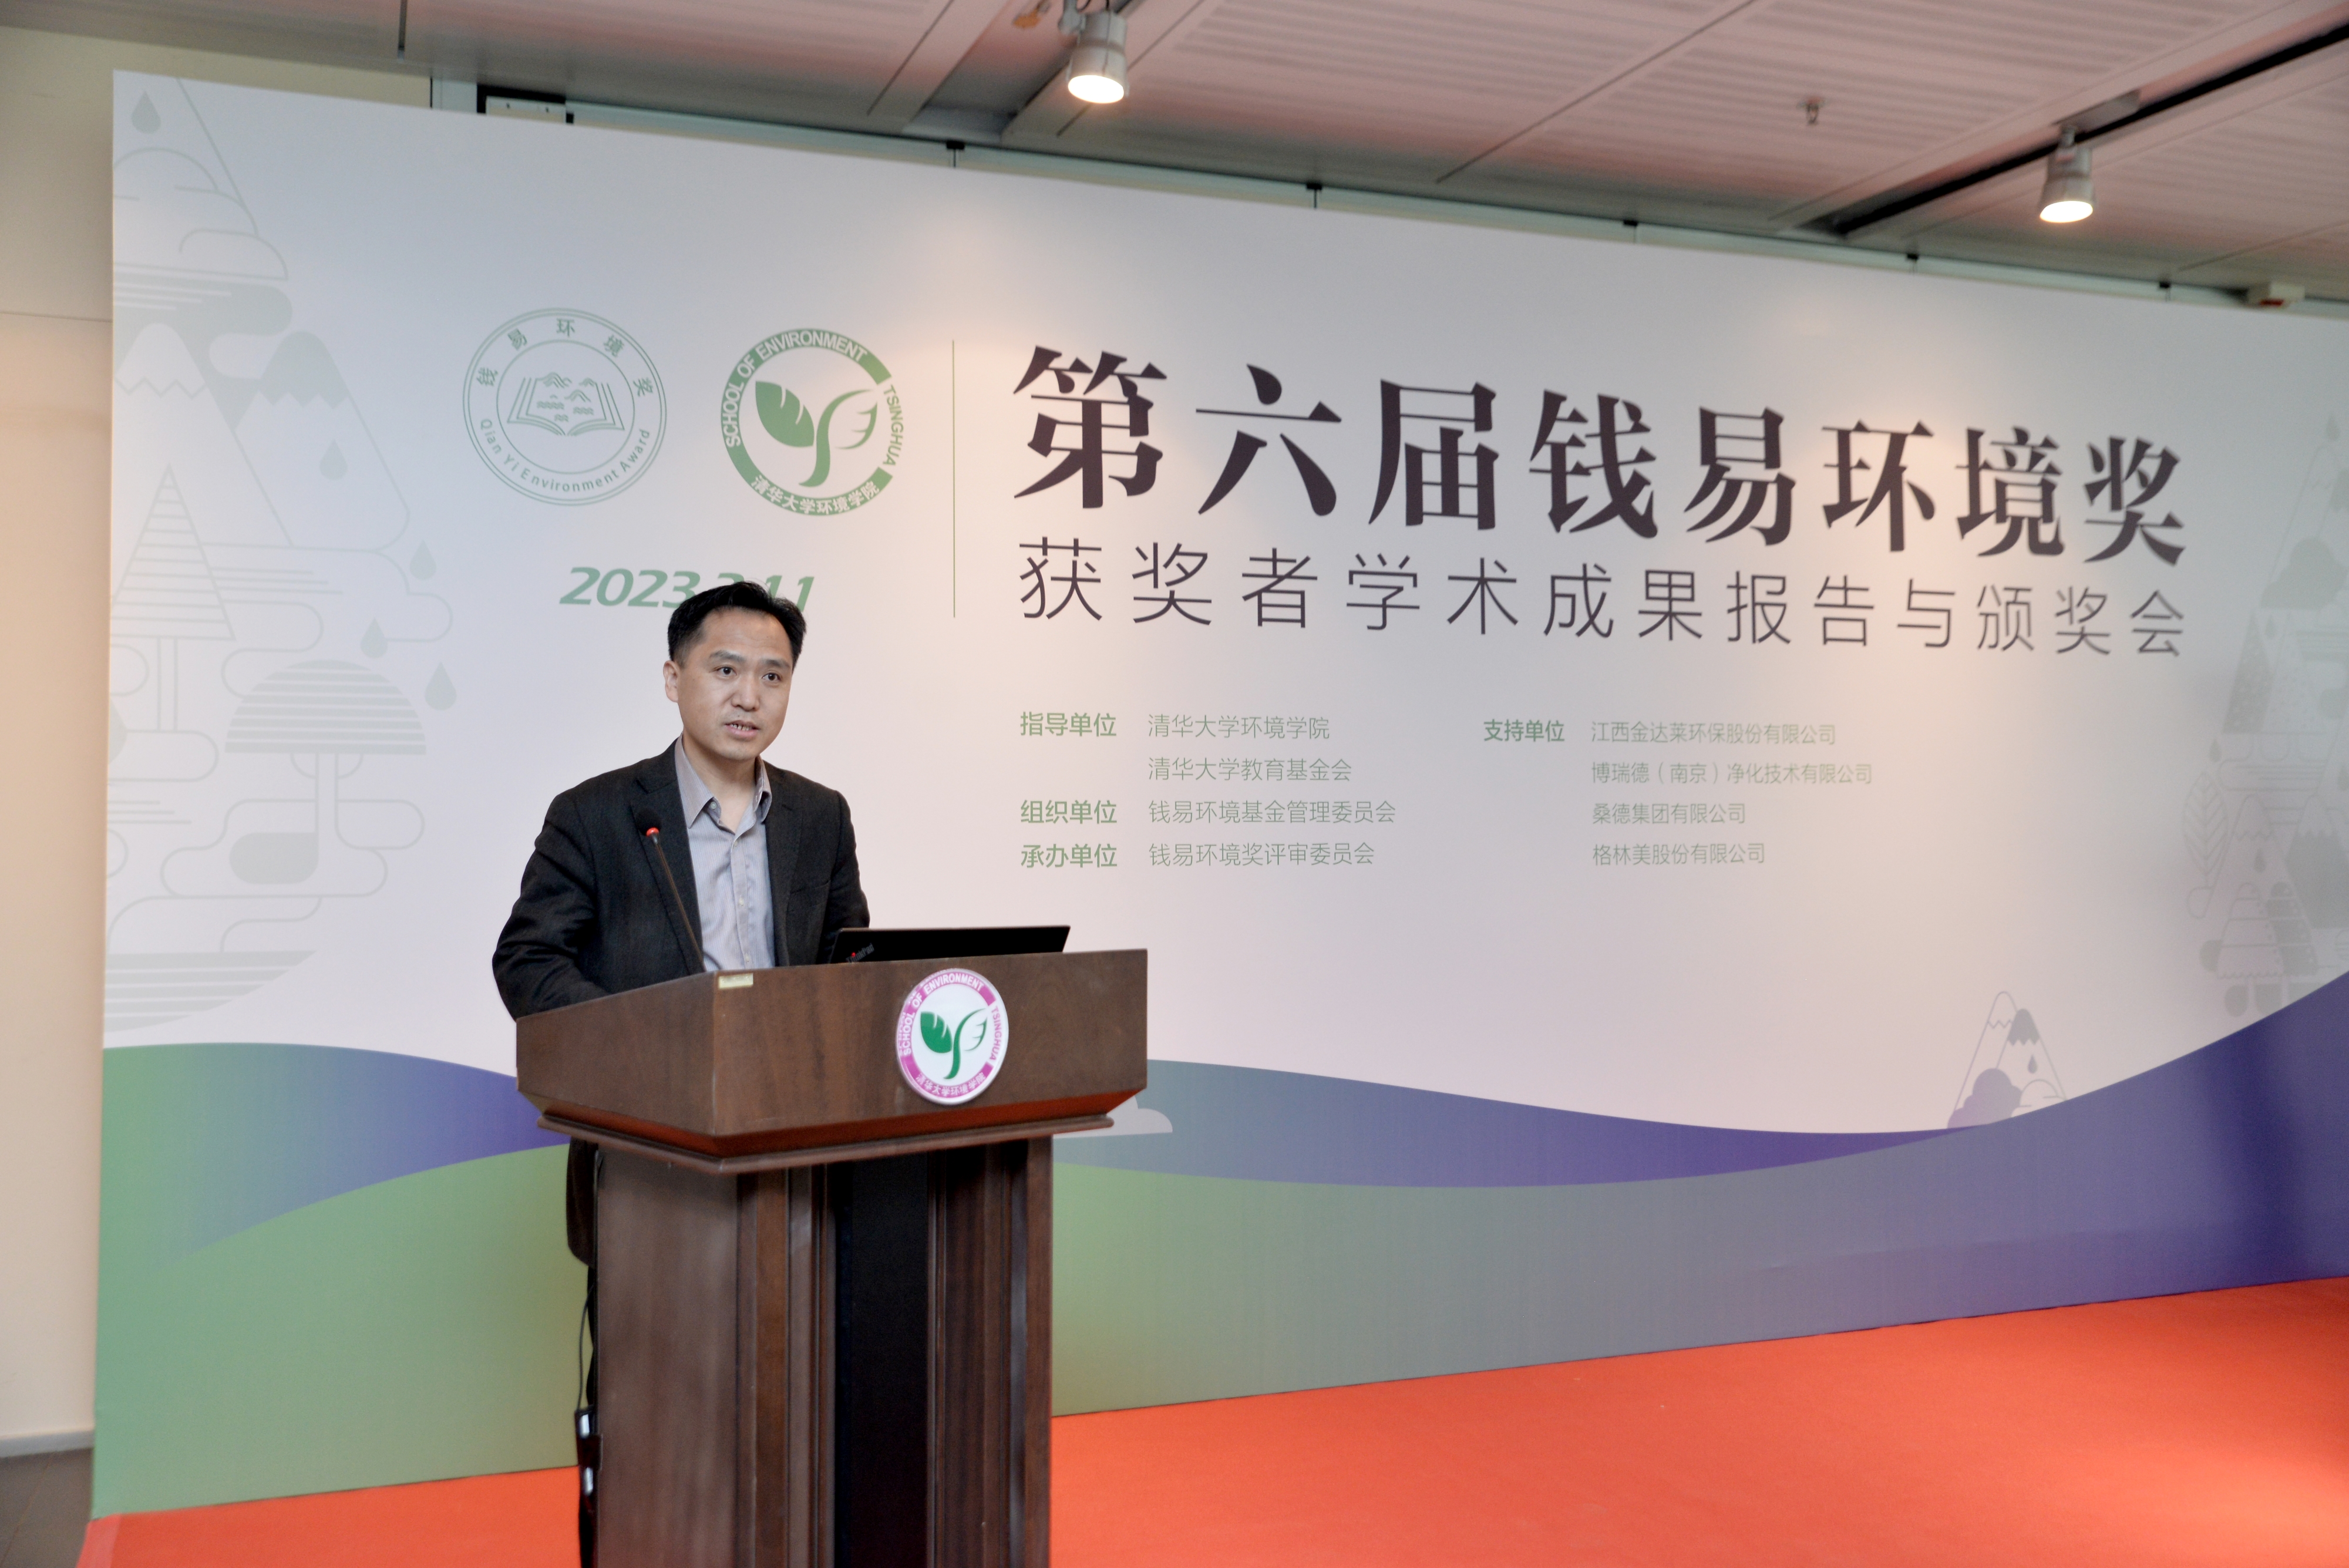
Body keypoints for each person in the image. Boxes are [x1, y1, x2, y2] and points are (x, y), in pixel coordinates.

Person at [491, 579, 868, 1566]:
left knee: (794, 1394)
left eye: (774, 675)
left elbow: (850, 966)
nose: (750, 694)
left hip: (797, 1160)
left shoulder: (820, 817)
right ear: (674, 677)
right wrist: (648, 1047)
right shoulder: (598, 815)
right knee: (659, 1409)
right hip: (651, 1162)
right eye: (725, 668)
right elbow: (528, 961)